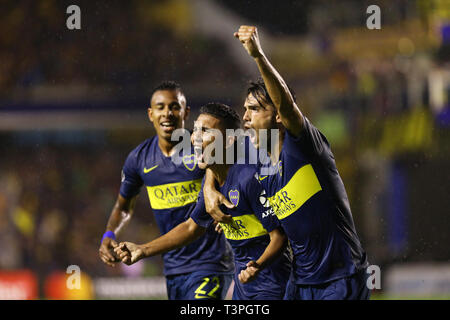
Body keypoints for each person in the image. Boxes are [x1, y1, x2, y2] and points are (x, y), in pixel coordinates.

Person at [204, 26, 370, 300]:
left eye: (255, 109)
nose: (245, 116)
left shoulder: (304, 146)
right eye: (245, 109)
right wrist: (209, 188)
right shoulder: (257, 162)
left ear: (278, 116)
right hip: (300, 282)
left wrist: (258, 56)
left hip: (339, 278)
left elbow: (287, 107)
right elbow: (212, 156)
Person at [113, 103, 292, 300]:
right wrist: (142, 249)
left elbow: (280, 237)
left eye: (205, 131)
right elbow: (191, 227)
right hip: (244, 288)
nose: (195, 137)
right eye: (195, 129)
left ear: (228, 140)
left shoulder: (248, 179)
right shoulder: (212, 189)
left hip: (272, 285)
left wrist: (257, 266)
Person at [98, 81, 234, 300]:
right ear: (150, 114)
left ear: (186, 112)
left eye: (174, 107)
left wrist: (212, 185)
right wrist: (109, 233)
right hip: (172, 269)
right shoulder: (139, 158)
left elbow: (230, 177)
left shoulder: (203, 147)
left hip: (211, 263)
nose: (167, 113)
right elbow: (123, 208)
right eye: (160, 107)